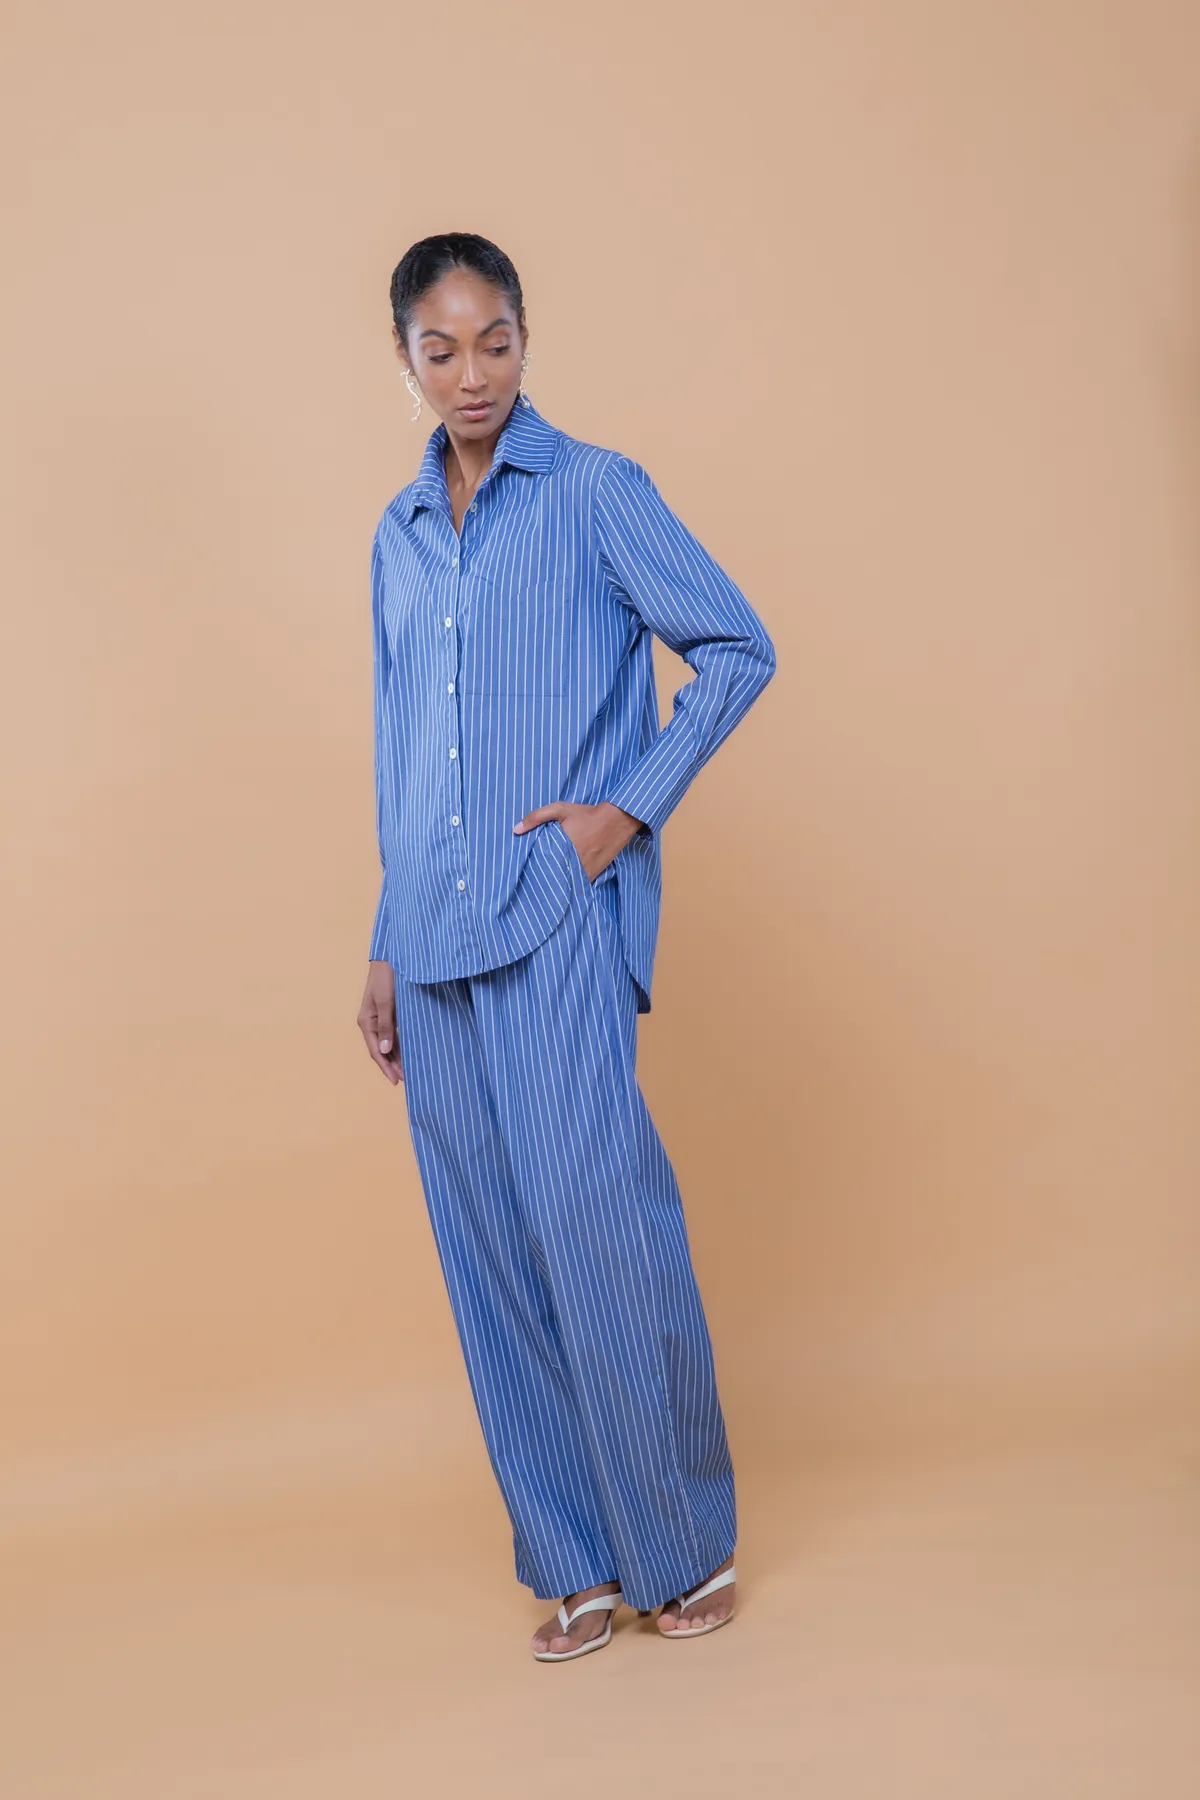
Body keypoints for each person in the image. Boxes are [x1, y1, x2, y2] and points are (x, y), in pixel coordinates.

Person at [356, 232, 777, 1662]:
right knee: (488, 1255)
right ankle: (576, 1560)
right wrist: (382, 937)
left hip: (553, 921)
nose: (472, 374)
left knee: (601, 1228)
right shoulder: (398, 537)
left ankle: (681, 1545)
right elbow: (405, 752)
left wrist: (623, 813)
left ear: (526, 338)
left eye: (494, 342)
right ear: (405, 360)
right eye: (441, 350)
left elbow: (736, 649)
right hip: (431, 938)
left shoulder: (596, 491)